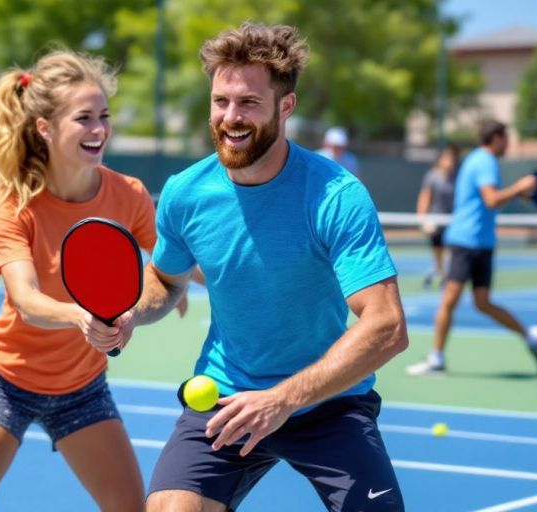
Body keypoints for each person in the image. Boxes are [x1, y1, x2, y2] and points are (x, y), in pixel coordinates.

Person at [125, 22, 409, 511]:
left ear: (286, 107)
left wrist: (282, 399)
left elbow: (386, 326)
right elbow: (165, 281)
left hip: (329, 404)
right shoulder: (184, 193)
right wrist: (131, 313)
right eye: (220, 101)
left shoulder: (335, 196)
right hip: (226, 398)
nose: (230, 117)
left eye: (249, 103)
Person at [0, 49, 161, 512]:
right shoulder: (13, 202)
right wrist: (82, 317)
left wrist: (189, 287)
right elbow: (25, 300)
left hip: (83, 388)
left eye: (104, 115)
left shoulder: (130, 195)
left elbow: (176, 264)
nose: (99, 129)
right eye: (83, 118)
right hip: (4, 381)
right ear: (46, 127)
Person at [406, 120, 537, 377]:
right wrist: (519, 187)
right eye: (506, 138)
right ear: (496, 138)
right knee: (462, 301)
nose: (508, 143)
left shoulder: (482, 161)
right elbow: (491, 199)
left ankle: (531, 338)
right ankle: (439, 356)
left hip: (476, 242)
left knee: (473, 302)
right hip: (469, 240)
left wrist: (517, 191)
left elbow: (489, 199)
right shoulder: (485, 161)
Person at [416, 144, 459, 289]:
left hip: (453, 222)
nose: (450, 161)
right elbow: (424, 199)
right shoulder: (432, 176)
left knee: (452, 251)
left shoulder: (458, 177)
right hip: (435, 222)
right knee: (438, 252)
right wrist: (423, 221)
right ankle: (442, 276)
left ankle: (447, 276)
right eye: (447, 157)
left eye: (452, 158)